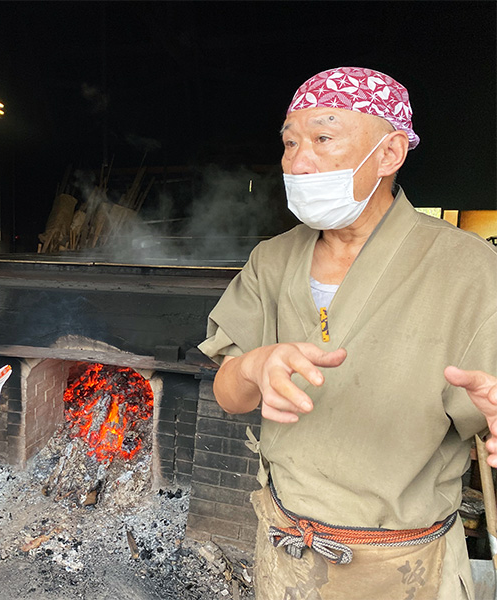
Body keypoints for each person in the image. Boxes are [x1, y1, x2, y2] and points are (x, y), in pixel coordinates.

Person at [198, 67, 497, 600]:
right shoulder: (272, 259)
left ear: (389, 153)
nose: (298, 160)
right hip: (286, 551)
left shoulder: (468, 267)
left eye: (323, 138)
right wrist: (251, 367)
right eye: (290, 142)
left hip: (406, 568)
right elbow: (227, 394)